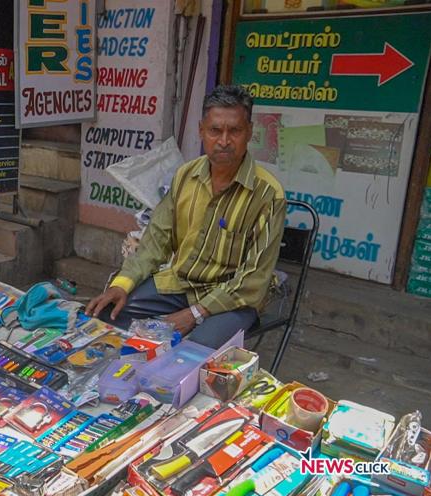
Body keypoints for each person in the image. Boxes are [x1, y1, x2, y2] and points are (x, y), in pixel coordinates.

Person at [85, 85, 286, 349]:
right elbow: (156, 240)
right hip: (180, 283)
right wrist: (122, 284)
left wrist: (195, 314)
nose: (224, 141)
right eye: (215, 130)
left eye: (234, 131)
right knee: (109, 315)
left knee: (193, 353)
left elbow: (253, 280)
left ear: (249, 132)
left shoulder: (268, 195)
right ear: (201, 130)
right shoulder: (185, 176)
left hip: (233, 299)